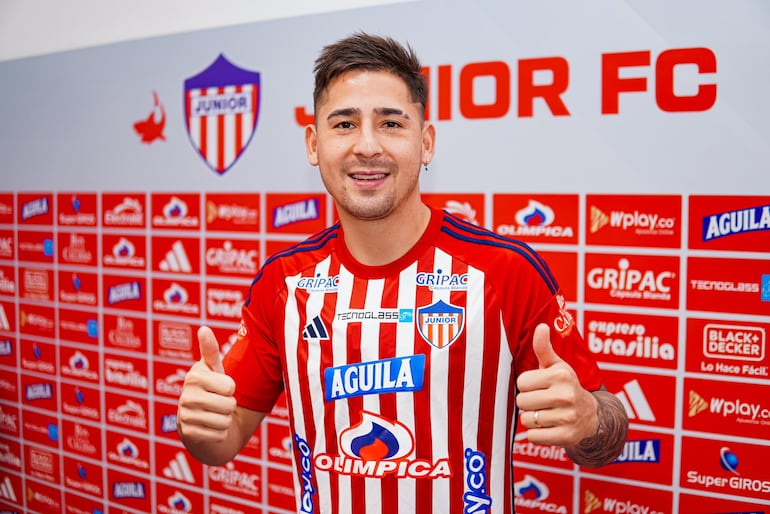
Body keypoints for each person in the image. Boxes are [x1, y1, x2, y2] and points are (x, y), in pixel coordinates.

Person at [177, 32, 628, 513]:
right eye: (344, 123)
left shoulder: (505, 270)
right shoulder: (284, 283)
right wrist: (199, 426)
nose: (367, 146)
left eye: (391, 123)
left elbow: (609, 432)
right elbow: (220, 445)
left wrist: (588, 421)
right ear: (314, 144)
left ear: (426, 141)